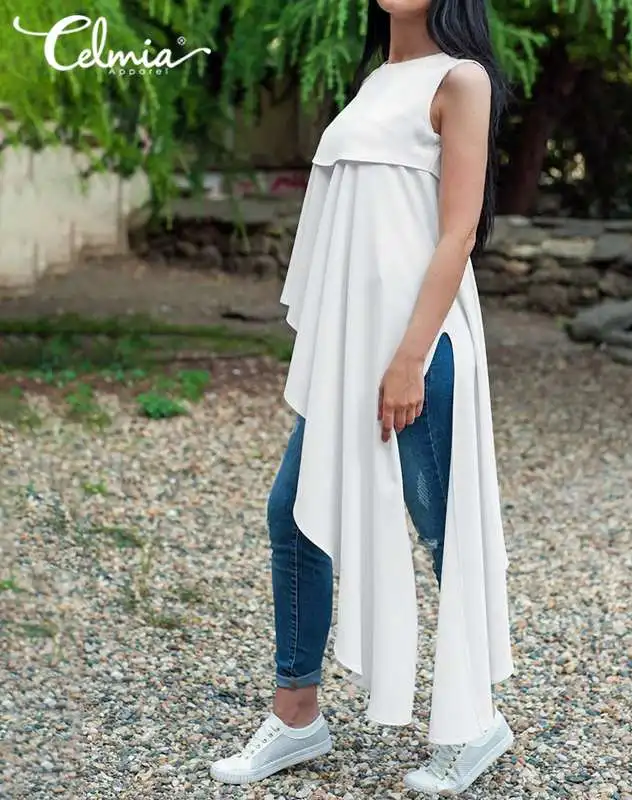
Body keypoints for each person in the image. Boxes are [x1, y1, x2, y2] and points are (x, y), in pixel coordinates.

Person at [210, 0, 514, 794]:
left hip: (420, 346)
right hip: (352, 351)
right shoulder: (376, 79)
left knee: (443, 529)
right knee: (293, 512)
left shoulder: (462, 80)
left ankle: (475, 722)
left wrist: (410, 357)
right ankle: (298, 714)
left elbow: (457, 232)